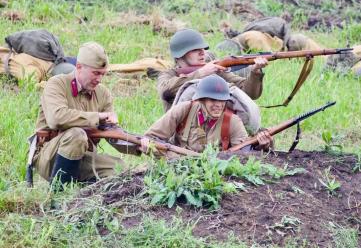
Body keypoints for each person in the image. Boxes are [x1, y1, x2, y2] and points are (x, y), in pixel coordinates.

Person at [31, 42, 128, 189]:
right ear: (79, 67)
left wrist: (140, 145)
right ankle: (58, 194)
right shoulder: (56, 84)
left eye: (103, 74)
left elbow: (112, 133)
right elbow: (56, 118)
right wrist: (97, 117)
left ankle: (82, 193)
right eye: (95, 73)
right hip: (50, 157)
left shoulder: (103, 93)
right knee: (77, 135)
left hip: (83, 156)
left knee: (120, 168)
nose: (99, 79)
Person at [142, 75, 272, 157]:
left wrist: (262, 146)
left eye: (221, 100)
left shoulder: (232, 121)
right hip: (177, 168)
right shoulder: (183, 110)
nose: (218, 105)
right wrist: (148, 145)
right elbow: (151, 136)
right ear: (201, 100)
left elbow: (244, 154)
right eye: (212, 100)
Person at [157, 28, 269, 111]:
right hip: (182, 134)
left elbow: (249, 93)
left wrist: (255, 72)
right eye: (195, 49)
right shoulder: (169, 74)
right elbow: (165, 92)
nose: (202, 52)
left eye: (203, 48)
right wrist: (201, 73)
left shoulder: (214, 70)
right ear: (180, 54)